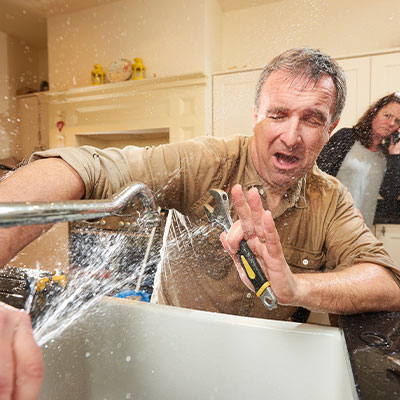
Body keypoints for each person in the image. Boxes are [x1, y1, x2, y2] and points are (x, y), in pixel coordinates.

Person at [1, 47, 400, 399]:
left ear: (331, 129)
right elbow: (87, 168)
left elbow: (385, 280)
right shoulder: (207, 162)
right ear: (256, 115)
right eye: (278, 114)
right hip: (170, 355)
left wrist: (297, 287)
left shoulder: (330, 199)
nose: (291, 136)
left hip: (264, 365)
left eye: (312, 119)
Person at [317, 93, 400, 228]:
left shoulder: (387, 155)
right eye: (387, 116)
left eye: (398, 121)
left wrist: (395, 156)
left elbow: (389, 195)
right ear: (374, 114)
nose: (391, 123)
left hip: (362, 228)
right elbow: (318, 176)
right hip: (329, 222)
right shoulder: (346, 137)